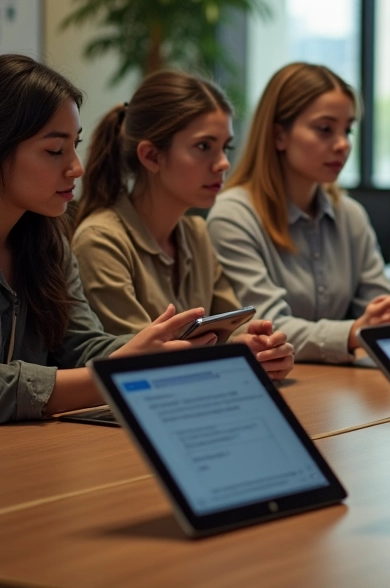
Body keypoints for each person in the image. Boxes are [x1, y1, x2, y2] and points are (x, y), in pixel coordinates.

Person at [0, 54, 224, 423]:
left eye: (75, 145)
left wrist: (167, 352)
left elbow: (82, 345)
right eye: (55, 150)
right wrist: (111, 376)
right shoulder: (99, 235)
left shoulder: (48, 241)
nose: (77, 167)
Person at [71, 70, 293, 380]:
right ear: (151, 156)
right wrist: (231, 356)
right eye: (204, 147)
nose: (224, 163)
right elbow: (143, 360)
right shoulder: (100, 240)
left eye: (225, 147)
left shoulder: (196, 233)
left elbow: (233, 323)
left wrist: (258, 347)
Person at [207, 62, 390, 364]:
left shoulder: (350, 215)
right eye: (325, 129)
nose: (343, 144)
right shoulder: (233, 216)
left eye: (348, 129)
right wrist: (355, 332)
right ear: (279, 135)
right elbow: (266, 328)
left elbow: (381, 307)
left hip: (337, 387)